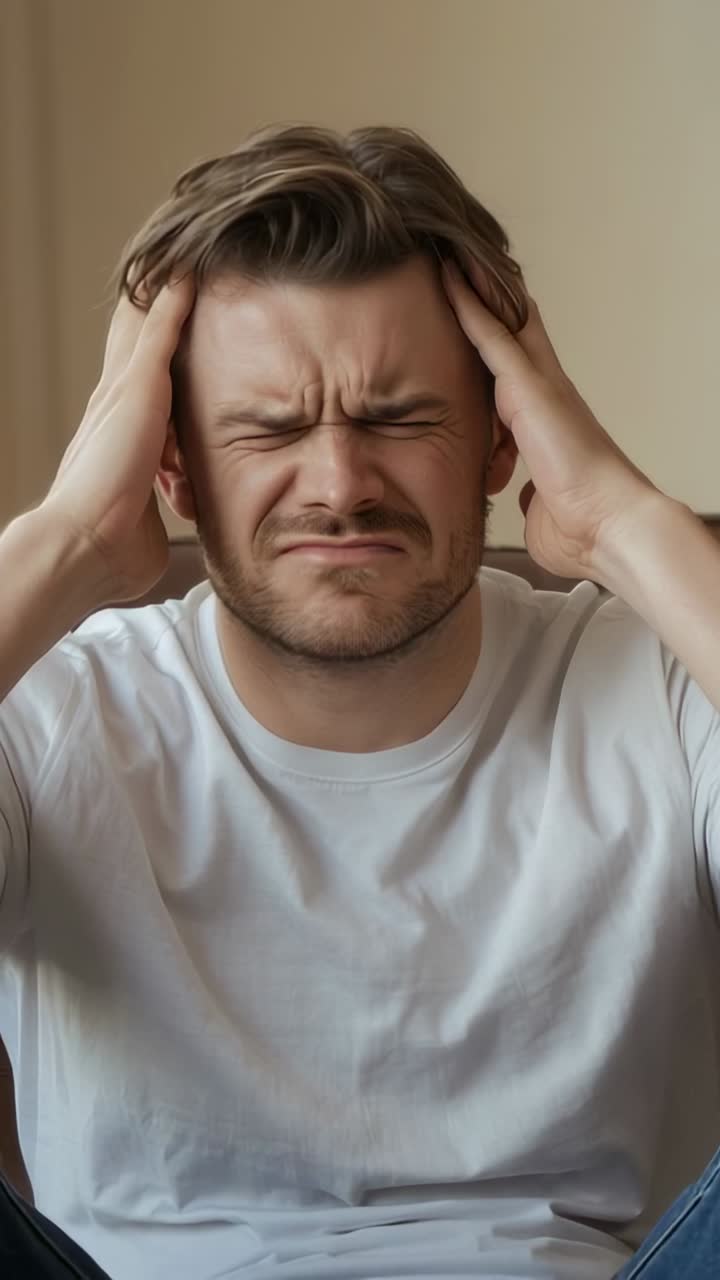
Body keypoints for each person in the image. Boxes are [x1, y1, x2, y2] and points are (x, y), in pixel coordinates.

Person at [0, 122, 718, 1280]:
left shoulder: (664, 685)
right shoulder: (50, 712)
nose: (339, 484)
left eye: (397, 417)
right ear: (171, 467)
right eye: (270, 428)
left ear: (499, 439)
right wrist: (66, 540)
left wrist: (628, 524)